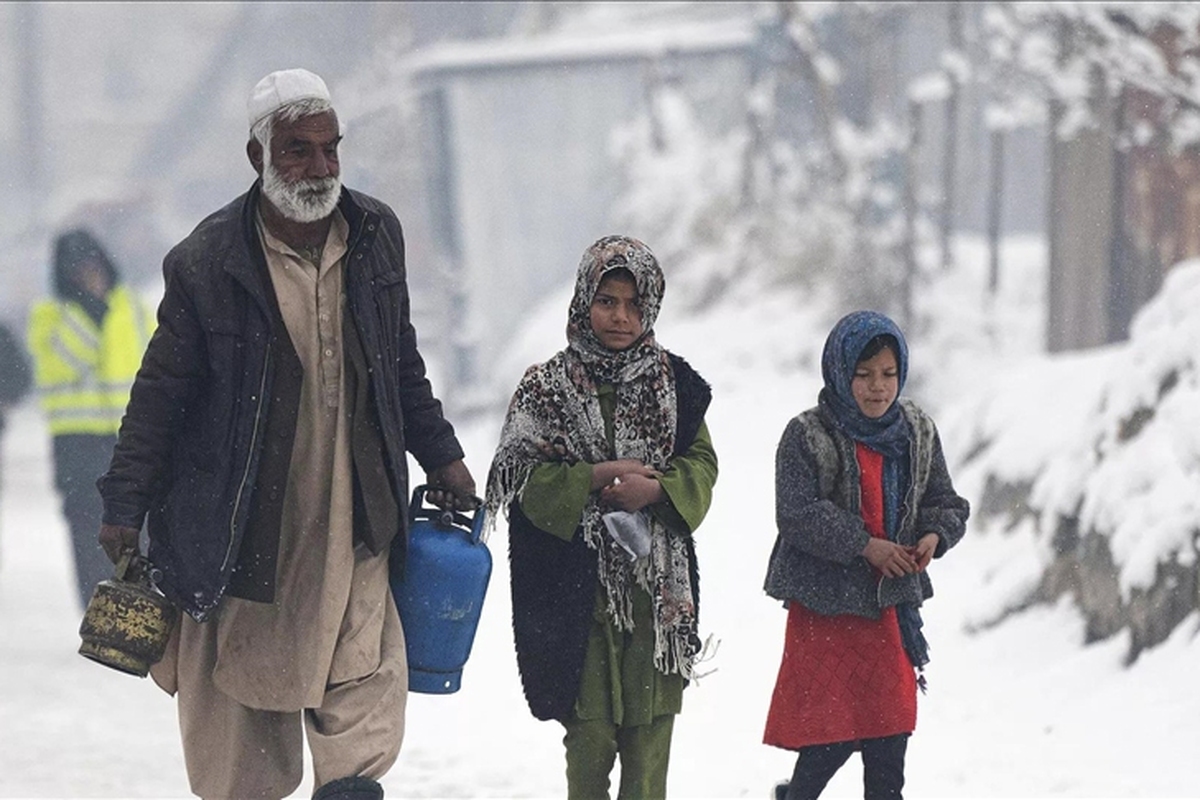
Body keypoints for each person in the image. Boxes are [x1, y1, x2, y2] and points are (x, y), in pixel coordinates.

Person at [95, 68, 477, 800]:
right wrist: (125, 503)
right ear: (257, 155)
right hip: (243, 529)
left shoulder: (374, 235)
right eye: (297, 151)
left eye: (330, 149)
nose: (319, 168)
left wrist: (444, 455)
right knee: (243, 724)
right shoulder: (207, 263)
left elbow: (400, 365)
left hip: (355, 518)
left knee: (362, 691)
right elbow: (159, 398)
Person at [486, 235, 718, 799]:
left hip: (655, 601)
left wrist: (655, 488)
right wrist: (592, 477)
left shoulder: (676, 385)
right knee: (588, 746)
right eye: (608, 300)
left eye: (635, 304)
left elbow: (702, 464)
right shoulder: (545, 388)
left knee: (647, 757)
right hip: (578, 595)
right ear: (584, 300)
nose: (620, 316)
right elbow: (518, 477)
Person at [762, 310, 969, 800]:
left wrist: (933, 536)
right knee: (829, 741)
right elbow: (796, 514)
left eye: (889, 374)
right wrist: (865, 545)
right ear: (839, 372)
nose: (878, 387)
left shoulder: (916, 431)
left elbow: (946, 502)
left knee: (888, 738)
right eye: (864, 374)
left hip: (888, 612)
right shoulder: (807, 435)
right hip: (828, 611)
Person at [26, 229, 153, 608]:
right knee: (87, 529)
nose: (88, 274)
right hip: (77, 441)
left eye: (91, 265)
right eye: (78, 268)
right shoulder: (49, 316)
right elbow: (62, 365)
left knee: (139, 526)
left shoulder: (132, 307)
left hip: (129, 436)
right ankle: (97, 609)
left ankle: (140, 607)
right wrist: (90, 310)